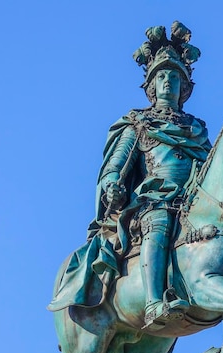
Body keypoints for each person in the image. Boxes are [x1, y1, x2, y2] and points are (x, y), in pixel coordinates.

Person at [48, 22, 211, 330]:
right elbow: (116, 165)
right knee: (159, 221)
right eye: (161, 76)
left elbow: (214, 167)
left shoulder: (198, 130)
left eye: (174, 76)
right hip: (154, 200)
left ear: (184, 87)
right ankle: (153, 302)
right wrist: (111, 185)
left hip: (193, 202)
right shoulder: (137, 123)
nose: (167, 82)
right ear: (151, 86)